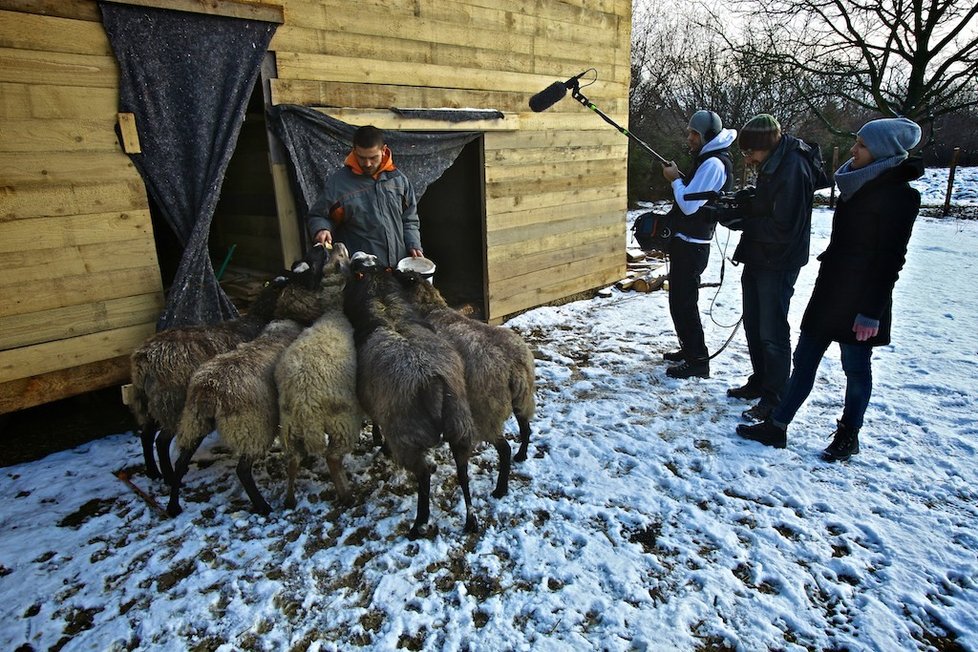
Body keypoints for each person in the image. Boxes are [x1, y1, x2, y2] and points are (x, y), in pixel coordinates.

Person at [737, 117, 923, 459]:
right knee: (804, 360)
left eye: (862, 145)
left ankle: (848, 434)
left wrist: (871, 312)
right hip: (831, 290)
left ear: (882, 151)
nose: (853, 149)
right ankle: (776, 426)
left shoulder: (900, 196)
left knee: (855, 367)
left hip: (862, 300)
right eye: (856, 141)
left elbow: (890, 260)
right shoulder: (856, 184)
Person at [729, 114, 828, 421]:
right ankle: (761, 380)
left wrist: (744, 222)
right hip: (760, 255)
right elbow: (767, 205)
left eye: (750, 152)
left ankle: (775, 396)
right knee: (754, 323)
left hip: (778, 259)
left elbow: (783, 226)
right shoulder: (773, 163)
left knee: (772, 330)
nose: (747, 158)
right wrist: (742, 204)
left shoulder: (793, 167)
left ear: (765, 145)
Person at [660, 110, 737, 379]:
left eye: (694, 133)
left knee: (684, 304)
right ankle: (689, 349)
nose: (689, 138)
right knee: (679, 301)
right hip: (688, 242)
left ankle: (698, 361)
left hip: (693, 245)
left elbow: (689, 205)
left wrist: (675, 180)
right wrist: (681, 178)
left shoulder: (713, 163)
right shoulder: (709, 159)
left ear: (707, 136)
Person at [307, 125, 423, 267]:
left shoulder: (398, 180)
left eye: (373, 157)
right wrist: (321, 229)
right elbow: (319, 216)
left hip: (398, 267)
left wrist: (413, 244)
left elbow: (409, 219)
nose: (367, 163)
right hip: (361, 271)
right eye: (361, 158)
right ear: (354, 150)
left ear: (384, 150)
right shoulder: (339, 185)